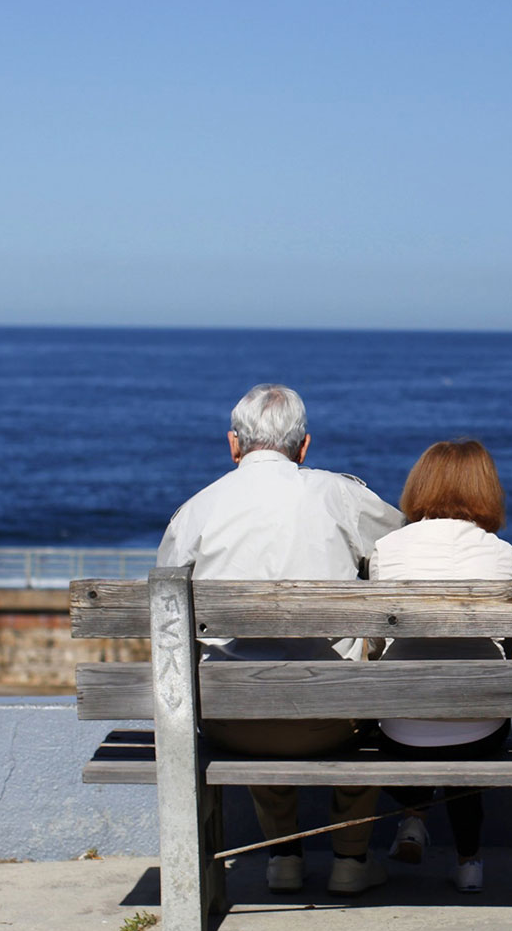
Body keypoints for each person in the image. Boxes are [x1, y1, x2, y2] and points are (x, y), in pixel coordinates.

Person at [156, 383, 404, 898]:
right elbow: (403, 552)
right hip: (333, 722)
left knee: (245, 672)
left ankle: (284, 859)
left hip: (232, 722)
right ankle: (350, 861)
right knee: (356, 680)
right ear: (304, 446)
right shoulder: (341, 496)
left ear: (233, 444)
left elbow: (165, 619)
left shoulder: (196, 511)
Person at [368, 440, 512, 895]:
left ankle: (413, 819)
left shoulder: (387, 549)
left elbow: (376, 644)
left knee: (408, 708)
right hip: (479, 727)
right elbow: (506, 642)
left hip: (401, 731)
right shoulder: (502, 554)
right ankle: (469, 863)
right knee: (469, 719)